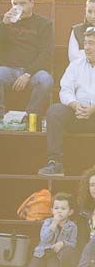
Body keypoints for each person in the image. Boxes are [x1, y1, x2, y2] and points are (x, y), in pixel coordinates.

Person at [0, 0, 54, 126]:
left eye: (22, 3)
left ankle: (28, 119)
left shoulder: (44, 24)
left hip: (32, 72)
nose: (18, 8)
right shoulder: (4, 20)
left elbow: (46, 54)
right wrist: (3, 24)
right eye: (14, 4)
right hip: (8, 70)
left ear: (32, 3)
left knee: (46, 80)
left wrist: (27, 74)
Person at [40, 28, 95, 176]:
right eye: (86, 43)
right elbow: (65, 90)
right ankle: (55, 164)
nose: (87, 47)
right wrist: (75, 105)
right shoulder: (76, 65)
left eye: (92, 43)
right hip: (77, 113)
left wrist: (93, 109)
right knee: (54, 112)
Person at [25, 193, 80, 267]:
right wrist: (53, 225)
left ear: (70, 212)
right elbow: (44, 239)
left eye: (63, 208)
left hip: (56, 255)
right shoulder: (47, 222)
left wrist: (63, 243)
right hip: (41, 253)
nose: (59, 211)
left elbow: (73, 243)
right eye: (56, 208)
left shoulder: (72, 226)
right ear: (51, 210)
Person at [68, 0, 95, 64]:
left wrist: (82, 52)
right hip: (81, 72)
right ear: (85, 11)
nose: (93, 16)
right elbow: (73, 58)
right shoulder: (76, 31)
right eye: (89, 11)